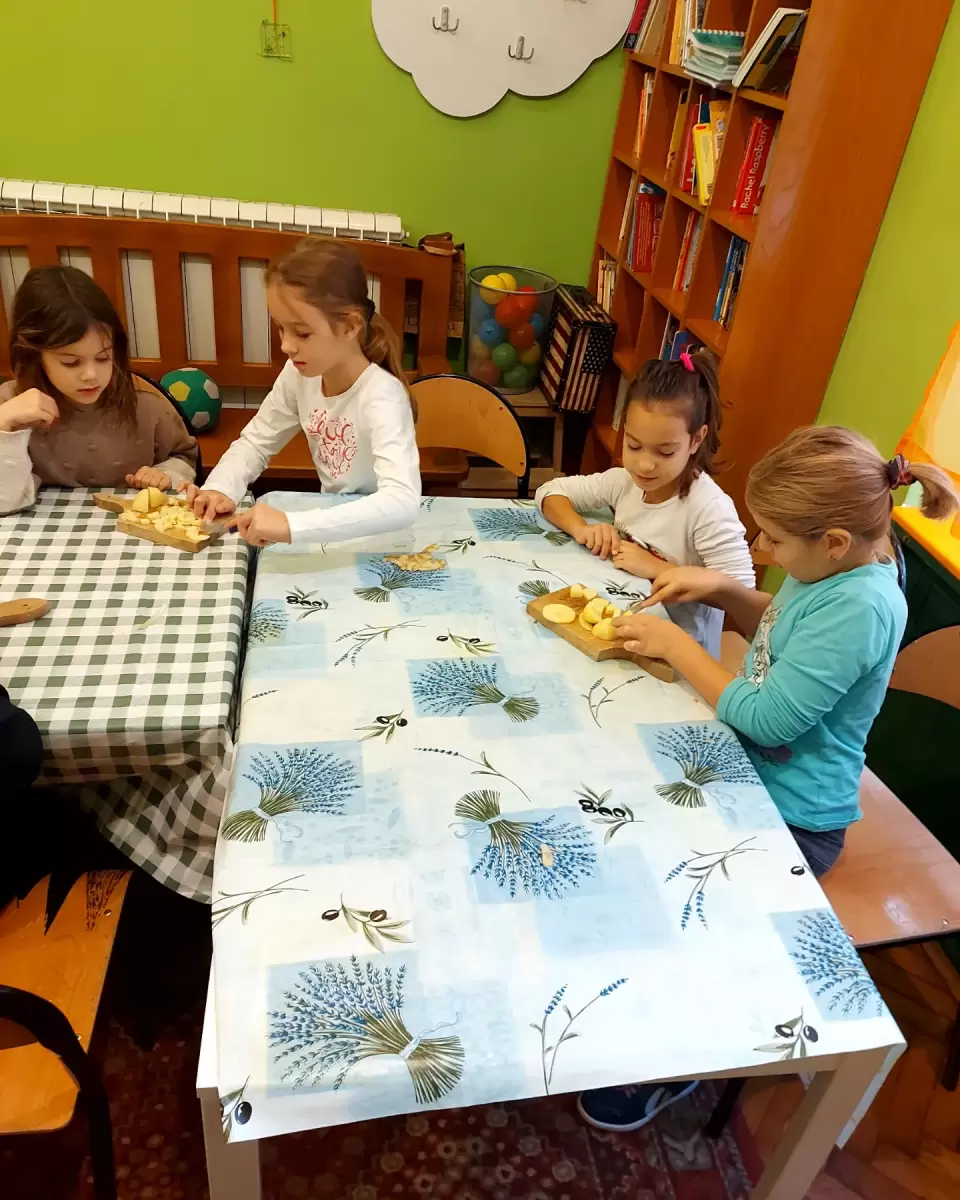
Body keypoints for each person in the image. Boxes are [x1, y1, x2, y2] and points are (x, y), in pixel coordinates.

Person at [576, 426, 958, 1135]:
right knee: (613, 808)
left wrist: (676, 644)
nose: (763, 549)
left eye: (774, 541)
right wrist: (725, 588)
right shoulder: (838, 569)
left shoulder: (862, 605)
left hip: (796, 820)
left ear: (834, 542)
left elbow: (766, 718)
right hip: (751, 778)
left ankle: (692, 1054)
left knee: (683, 908)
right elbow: (785, 630)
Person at [186, 239, 421, 548]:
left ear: (350, 326)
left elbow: (402, 501)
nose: (286, 345)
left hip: (385, 543)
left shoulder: (382, 396)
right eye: (280, 328)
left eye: (302, 332)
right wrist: (220, 488)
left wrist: (291, 525)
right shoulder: (298, 375)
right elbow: (256, 443)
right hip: (333, 535)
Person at [535, 350, 754, 657]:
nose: (644, 465)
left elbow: (744, 598)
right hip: (624, 625)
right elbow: (549, 492)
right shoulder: (624, 481)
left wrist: (659, 569)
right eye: (634, 445)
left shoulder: (709, 509)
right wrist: (581, 529)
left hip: (682, 653)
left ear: (696, 440)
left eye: (665, 452)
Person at [0, 266, 198, 515]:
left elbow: (186, 458)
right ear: (33, 355)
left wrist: (165, 474)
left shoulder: (146, 407)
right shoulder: (10, 406)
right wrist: (3, 426)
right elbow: (5, 503)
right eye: (71, 362)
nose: (91, 375)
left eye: (103, 358)